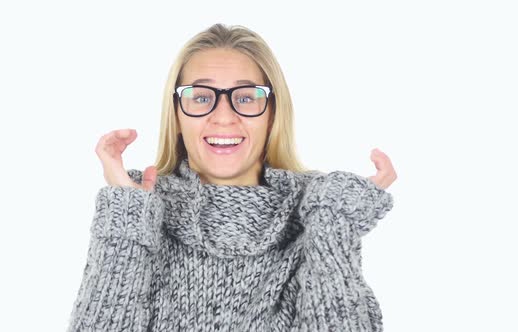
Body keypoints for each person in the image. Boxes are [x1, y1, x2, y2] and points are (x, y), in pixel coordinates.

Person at [67, 23, 397, 332]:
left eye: (245, 97)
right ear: (177, 116)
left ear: (272, 113)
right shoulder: (138, 212)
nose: (223, 117)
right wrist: (127, 217)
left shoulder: (318, 214)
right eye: (200, 97)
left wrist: (335, 222)